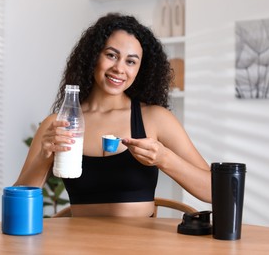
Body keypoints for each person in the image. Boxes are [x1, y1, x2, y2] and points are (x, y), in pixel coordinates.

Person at [14, 13, 211, 217]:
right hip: (77, 245)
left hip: (138, 246)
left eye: (131, 61)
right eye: (111, 55)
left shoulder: (155, 118)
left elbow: (213, 191)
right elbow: (18, 204)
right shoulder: (57, 124)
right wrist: (44, 158)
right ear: (93, 56)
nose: (119, 68)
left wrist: (164, 158)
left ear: (140, 70)